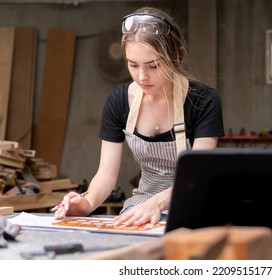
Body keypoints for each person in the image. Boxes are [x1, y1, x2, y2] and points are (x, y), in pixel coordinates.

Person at [54, 6, 225, 226]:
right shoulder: (118, 101)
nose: (142, 77)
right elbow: (106, 174)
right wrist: (86, 203)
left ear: (176, 56)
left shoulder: (203, 101)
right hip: (142, 203)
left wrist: (157, 204)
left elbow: (198, 176)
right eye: (133, 65)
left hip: (195, 203)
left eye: (153, 66)